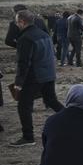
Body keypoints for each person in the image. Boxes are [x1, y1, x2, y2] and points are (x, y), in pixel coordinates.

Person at [9, 10, 64, 147]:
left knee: (23, 106)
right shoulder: (44, 34)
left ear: (22, 22)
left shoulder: (25, 38)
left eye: (17, 22)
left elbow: (23, 63)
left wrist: (18, 83)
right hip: (49, 74)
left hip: (34, 77)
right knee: (52, 101)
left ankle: (28, 137)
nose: (16, 24)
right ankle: (74, 120)